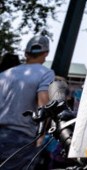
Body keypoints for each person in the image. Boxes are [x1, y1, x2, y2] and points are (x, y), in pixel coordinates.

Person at [0, 35, 56, 170]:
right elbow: (44, 104)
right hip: (21, 139)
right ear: (46, 53)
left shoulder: (5, 74)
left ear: (26, 53)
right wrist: (41, 136)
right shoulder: (46, 73)